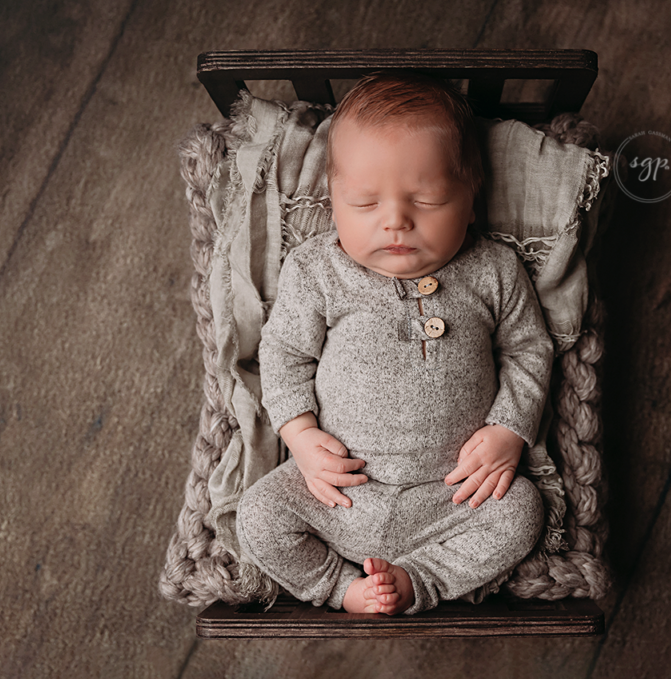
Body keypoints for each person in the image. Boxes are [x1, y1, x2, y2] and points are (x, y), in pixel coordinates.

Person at [235, 72, 554, 615]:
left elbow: (530, 350)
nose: (396, 222)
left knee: (523, 511)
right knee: (259, 516)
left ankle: (419, 580)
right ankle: (342, 589)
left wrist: (509, 429)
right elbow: (285, 354)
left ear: (471, 200)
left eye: (427, 200)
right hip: (339, 490)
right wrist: (301, 436)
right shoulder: (317, 270)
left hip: (453, 494)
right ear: (333, 200)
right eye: (363, 203)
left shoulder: (495, 269)